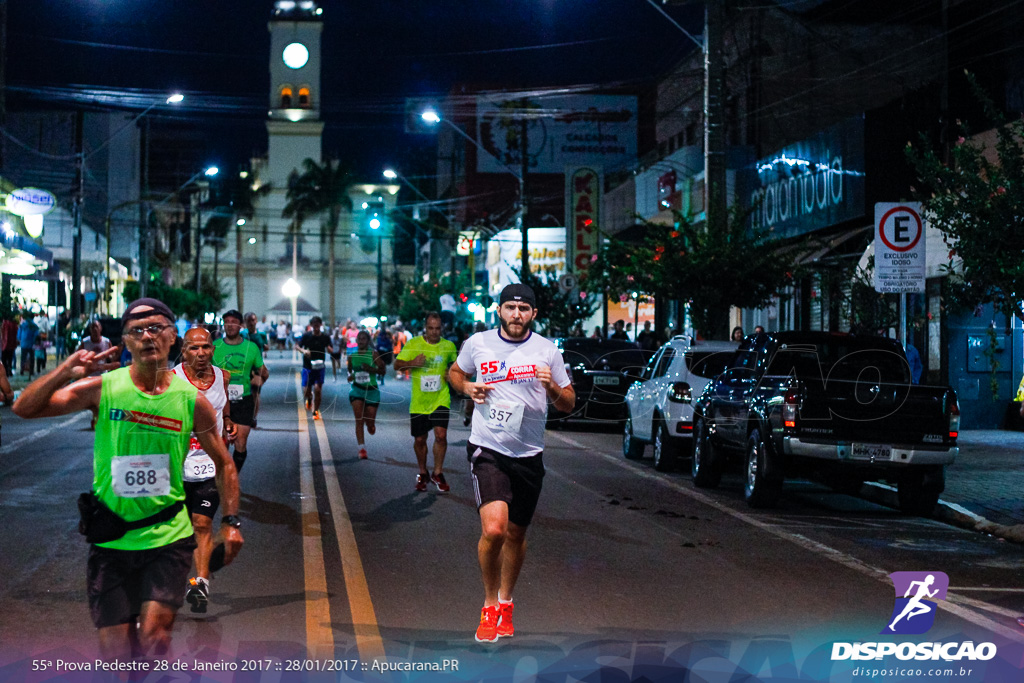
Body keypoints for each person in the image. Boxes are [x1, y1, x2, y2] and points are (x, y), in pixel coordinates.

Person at [12, 298, 243, 661]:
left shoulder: (191, 400)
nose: (148, 337)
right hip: (112, 537)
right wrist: (65, 371)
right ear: (126, 341)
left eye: (157, 329)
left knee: (155, 636)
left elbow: (225, 463)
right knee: (116, 655)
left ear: (171, 339)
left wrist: (230, 523)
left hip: (168, 535)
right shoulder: (103, 388)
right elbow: (23, 408)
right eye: (137, 331)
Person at [448, 284, 574, 642]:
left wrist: (552, 389)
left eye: (523, 308)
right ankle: (489, 606)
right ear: (499, 310)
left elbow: (568, 402)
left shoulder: (548, 351)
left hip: (529, 454)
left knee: (517, 533)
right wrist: (467, 387)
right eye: (510, 307)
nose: (516, 314)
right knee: (495, 530)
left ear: (533, 313)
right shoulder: (479, 342)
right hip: (488, 448)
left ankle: (506, 602)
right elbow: (455, 372)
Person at [173, 327, 235, 614]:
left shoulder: (223, 377)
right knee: (175, 533)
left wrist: (229, 423)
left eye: (206, 347)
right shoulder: (171, 380)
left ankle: (199, 586)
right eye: (193, 348)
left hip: (209, 466)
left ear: (213, 349)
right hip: (174, 470)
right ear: (183, 350)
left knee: (202, 524)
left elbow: (225, 409)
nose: (201, 354)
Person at [394, 312, 458, 493]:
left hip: (440, 398)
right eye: (431, 328)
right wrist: (413, 362)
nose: (434, 332)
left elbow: (455, 368)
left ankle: (438, 472)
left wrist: (451, 374)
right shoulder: (414, 344)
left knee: (441, 435)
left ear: (442, 328)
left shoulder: (448, 346)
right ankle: (423, 472)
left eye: (438, 328)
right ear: (425, 327)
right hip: (420, 401)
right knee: (420, 439)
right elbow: (397, 365)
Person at [213, 310, 269, 474]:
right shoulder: (214, 346)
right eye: (227, 322)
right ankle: (221, 477)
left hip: (243, 401)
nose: (230, 325)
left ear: (240, 325)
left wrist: (257, 383)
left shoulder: (251, 348)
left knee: (240, 443)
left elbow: (263, 372)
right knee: (222, 443)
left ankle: (233, 477)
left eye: (233, 322)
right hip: (219, 402)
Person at [347, 329, 385, 460]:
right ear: (356, 340)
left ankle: (371, 425)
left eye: (364, 339)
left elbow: (383, 370)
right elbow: (350, 371)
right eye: (359, 338)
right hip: (357, 390)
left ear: (368, 341)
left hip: (372, 391)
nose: (361, 341)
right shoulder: (352, 356)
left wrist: (371, 369)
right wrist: (351, 376)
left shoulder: (373, 354)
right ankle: (361, 448)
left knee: (369, 422)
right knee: (359, 419)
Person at [295, 316, 333, 419]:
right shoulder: (306, 336)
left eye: (318, 325)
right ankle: (309, 397)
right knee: (306, 389)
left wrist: (329, 349)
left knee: (318, 389)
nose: (316, 327)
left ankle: (316, 411)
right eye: (314, 325)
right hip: (307, 366)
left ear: (321, 325)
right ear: (311, 325)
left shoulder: (325, 337)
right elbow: (297, 346)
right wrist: (304, 351)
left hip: (320, 366)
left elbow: (331, 349)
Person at [242, 313, 270, 427]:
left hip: (258, 367)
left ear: (256, 321)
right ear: (245, 322)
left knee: (255, 393)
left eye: (253, 320)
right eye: (249, 321)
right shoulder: (242, 334)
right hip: (244, 367)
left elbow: (266, 347)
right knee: (242, 393)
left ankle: (253, 417)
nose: (251, 323)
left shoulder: (261, 335)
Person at [17, 311, 40, 378]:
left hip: (23, 343)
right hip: (31, 344)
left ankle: (22, 370)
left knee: (23, 357)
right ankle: (31, 371)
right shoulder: (34, 325)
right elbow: (36, 335)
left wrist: (20, 339)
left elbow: (18, 335)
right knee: (32, 357)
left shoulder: (23, 325)